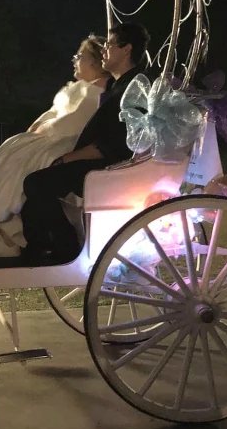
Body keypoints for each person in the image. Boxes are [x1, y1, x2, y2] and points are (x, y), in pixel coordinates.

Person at [0, 36, 109, 258]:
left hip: (66, 140)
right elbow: (54, 114)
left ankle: (9, 230)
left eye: (80, 56)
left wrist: (42, 129)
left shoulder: (97, 91)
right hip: (52, 135)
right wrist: (38, 127)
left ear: (95, 62)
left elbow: (73, 121)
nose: (74, 60)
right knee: (13, 150)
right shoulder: (79, 88)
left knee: (23, 160)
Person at [20, 22, 151, 264]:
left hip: (112, 167)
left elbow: (113, 142)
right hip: (102, 160)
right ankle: (39, 245)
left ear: (126, 50)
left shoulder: (133, 88)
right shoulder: (117, 85)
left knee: (36, 183)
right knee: (36, 184)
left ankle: (65, 245)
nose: (104, 51)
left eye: (110, 45)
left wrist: (68, 158)